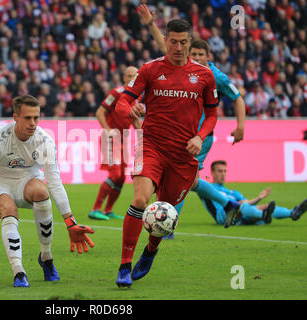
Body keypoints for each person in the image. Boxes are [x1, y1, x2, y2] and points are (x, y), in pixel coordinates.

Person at [113, 19, 219, 287]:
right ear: (166, 40)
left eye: (184, 42)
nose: (178, 47)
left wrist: (200, 136)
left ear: (190, 42)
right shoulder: (150, 69)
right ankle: (124, 266)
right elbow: (122, 102)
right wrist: (131, 110)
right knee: (140, 200)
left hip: (183, 156)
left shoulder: (204, 76)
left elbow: (212, 114)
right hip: (150, 145)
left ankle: (150, 251)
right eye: (173, 41)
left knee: (166, 211)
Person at [0, 95, 95, 287]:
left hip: (28, 180)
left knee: (42, 192)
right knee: (9, 210)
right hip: (0, 184)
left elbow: (55, 182)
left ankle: (46, 257)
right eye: (27, 118)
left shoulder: (45, 141)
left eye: (36, 117)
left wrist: (70, 220)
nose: (33, 123)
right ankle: (18, 271)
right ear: (15, 117)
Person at [138, 4, 244, 239]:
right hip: (179, 133)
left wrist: (241, 126)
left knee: (183, 179)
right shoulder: (180, 66)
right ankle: (227, 205)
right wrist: (150, 25)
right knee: (185, 179)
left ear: (208, 56)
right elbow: (164, 46)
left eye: (199, 55)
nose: (194, 57)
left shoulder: (214, 76)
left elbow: (238, 99)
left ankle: (167, 226)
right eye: (193, 54)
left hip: (199, 136)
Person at [89, 66, 142, 221]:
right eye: (129, 75)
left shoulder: (136, 98)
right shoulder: (116, 93)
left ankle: (108, 210)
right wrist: (107, 129)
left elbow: (135, 121)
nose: (132, 78)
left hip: (122, 140)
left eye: (135, 76)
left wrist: (145, 135)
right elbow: (100, 112)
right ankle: (95, 209)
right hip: (111, 139)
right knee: (115, 174)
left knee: (121, 178)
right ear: (124, 78)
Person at [201, 160, 307, 225]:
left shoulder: (233, 192)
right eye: (220, 171)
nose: (223, 174)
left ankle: (292, 213)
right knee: (242, 206)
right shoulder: (208, 188)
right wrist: (258, 198)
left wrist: (258, 201)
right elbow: (195, 184)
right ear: (212, 172)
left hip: (240, 217)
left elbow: (247, 203)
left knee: (264, 206)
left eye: (225, 171)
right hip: (223, 218)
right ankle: (263, 215)